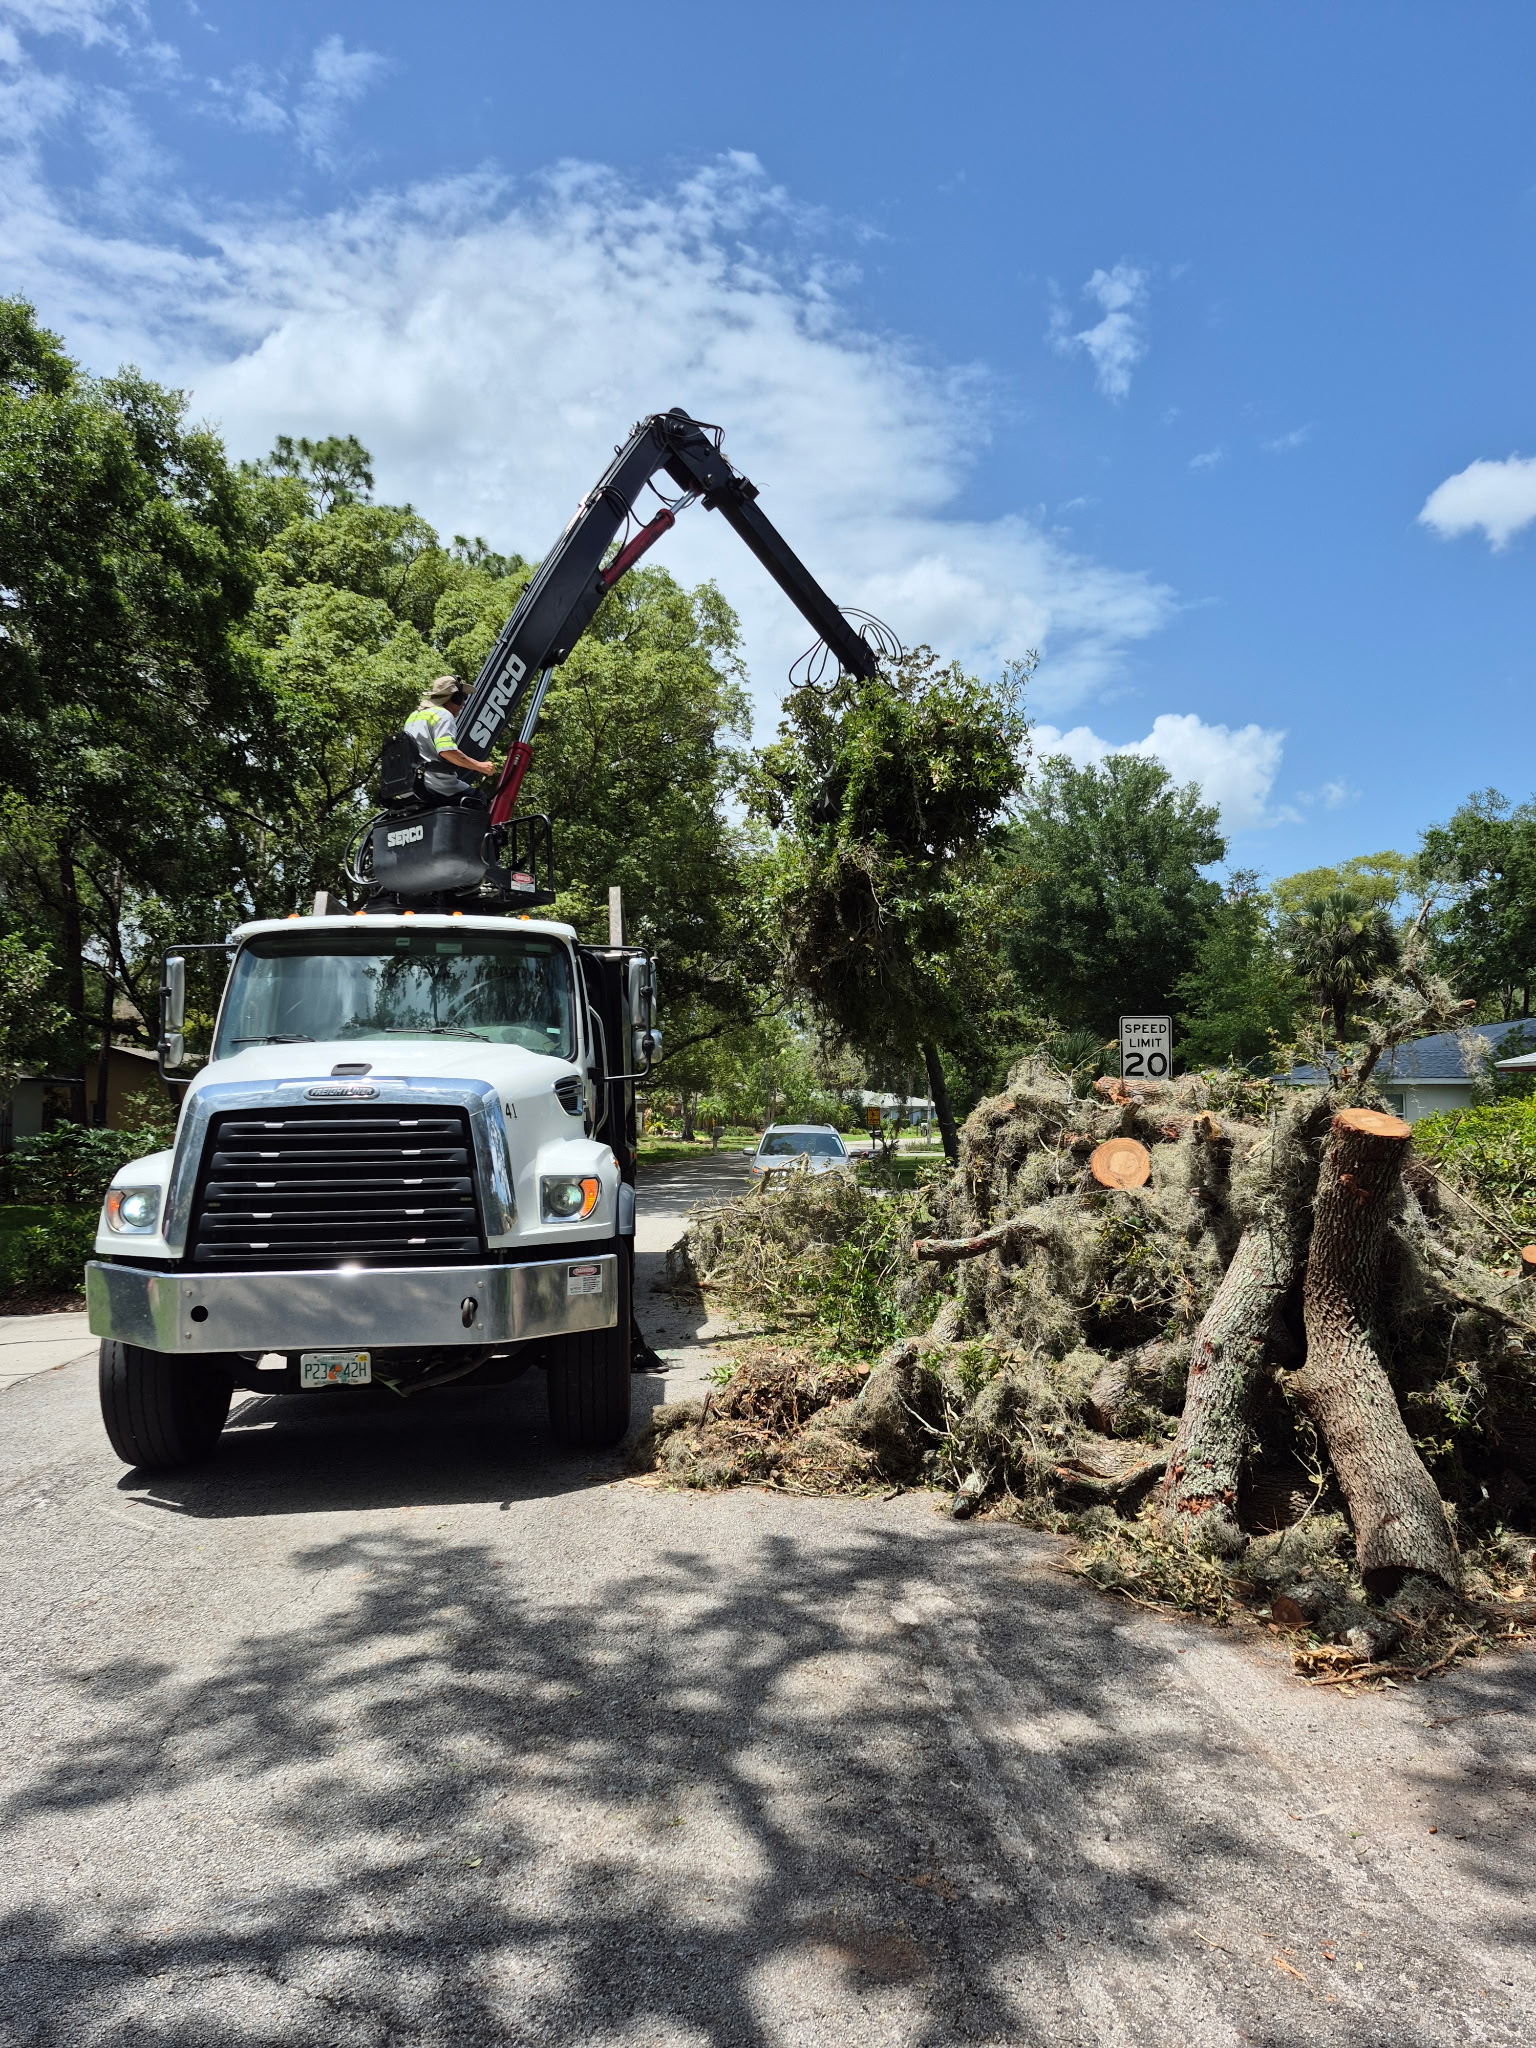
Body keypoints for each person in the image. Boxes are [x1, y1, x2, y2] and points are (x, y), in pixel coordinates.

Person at [404, 677, 496, 781]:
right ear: (455, 698)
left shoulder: (414, 715)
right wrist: (479, 766)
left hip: (409, 781)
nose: (464, 704)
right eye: (464, 697)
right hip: (434, 780)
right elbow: (447, 751)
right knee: (477, 793)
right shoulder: (443, 715)